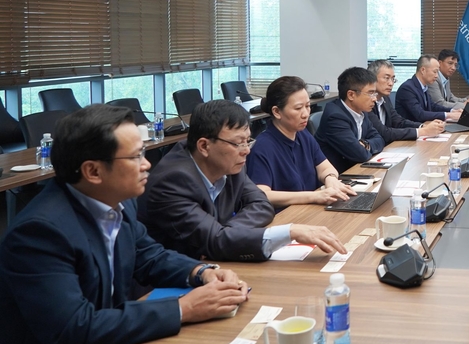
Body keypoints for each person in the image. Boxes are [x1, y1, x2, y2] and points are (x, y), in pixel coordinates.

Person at [0, 105, 250, 344]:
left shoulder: (120, 203)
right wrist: (184, 309)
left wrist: (202, 272)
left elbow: (149, 256)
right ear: (93, 171)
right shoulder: (41, 232)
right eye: (136, 156)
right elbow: (72, 328)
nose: (147, 164)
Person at [139, 100, 346, 262]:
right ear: (204, 146)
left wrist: (227, 233)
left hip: (220, 261)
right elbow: (215, 241)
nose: (246, 150)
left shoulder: (230, 162)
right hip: (175, 281)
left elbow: (261, 204)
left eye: (248, 141)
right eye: (238, 143)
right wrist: (289, 231)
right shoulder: (173, 181)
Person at [246, 76, 355, 210]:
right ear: (277, 111)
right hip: (285, 218)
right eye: (298, 108)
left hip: (309, 209)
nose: (305, 114)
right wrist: (313, 196)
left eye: (308, 106)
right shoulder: (263, 147)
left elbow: (325, 167)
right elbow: (263, 194)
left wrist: (330, 179)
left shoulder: (303, 134)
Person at [315, 67, 386, 173]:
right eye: (370, 93)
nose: (375, 98)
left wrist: (365, 144)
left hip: (356, 171)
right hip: (338, 177)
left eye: (374, 93)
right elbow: (360, 154)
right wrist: (364, 148)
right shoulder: (335, 117)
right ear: (351, 95)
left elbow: (380, 139)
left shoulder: (361, 111)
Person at [366, 59, 444, 144]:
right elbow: (384, 133)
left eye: (393, 79)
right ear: (372, 79)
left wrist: (423, 126)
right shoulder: (366, 103)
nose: (391, 83)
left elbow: (399, 121)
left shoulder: (384, 98)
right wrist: (423, 131)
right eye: (386, 78)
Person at [396, 54, 463, 123]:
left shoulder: (423, 86)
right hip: (412, 130)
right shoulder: (407, 88)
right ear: (423, 70)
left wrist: (452, 111)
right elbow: (420, 114)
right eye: (435, 72)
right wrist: (449, 115)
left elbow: (432, 106)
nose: (437, 76)